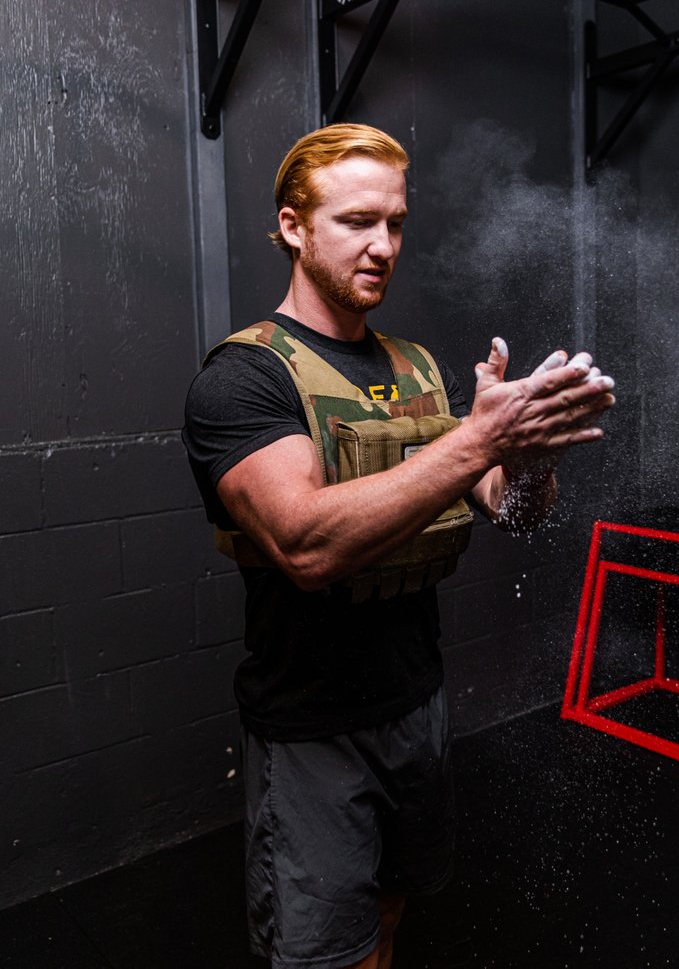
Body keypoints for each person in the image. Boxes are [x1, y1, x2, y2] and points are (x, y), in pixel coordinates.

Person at [182, 123, 615, 969]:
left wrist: (527, 457)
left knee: (388, 915)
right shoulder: (243, 379)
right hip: (313, 732)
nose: (383, 246)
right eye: (355, 222)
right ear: (294, 226)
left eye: (395, 222)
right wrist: (477, 440)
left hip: (418, 708)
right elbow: (305, 544)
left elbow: (514, 514)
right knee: (324, 955)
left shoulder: (415, 368)